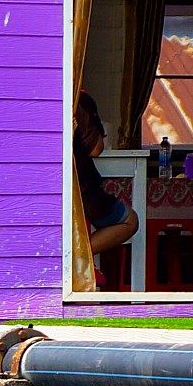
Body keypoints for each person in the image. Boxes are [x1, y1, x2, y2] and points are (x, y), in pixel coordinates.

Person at [73, 92, 138, 290]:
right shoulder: (78, 99)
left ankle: (74, 257)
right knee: (130, 220)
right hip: (81, 189)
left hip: (51, 189)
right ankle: (77, 257)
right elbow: (95, 149)